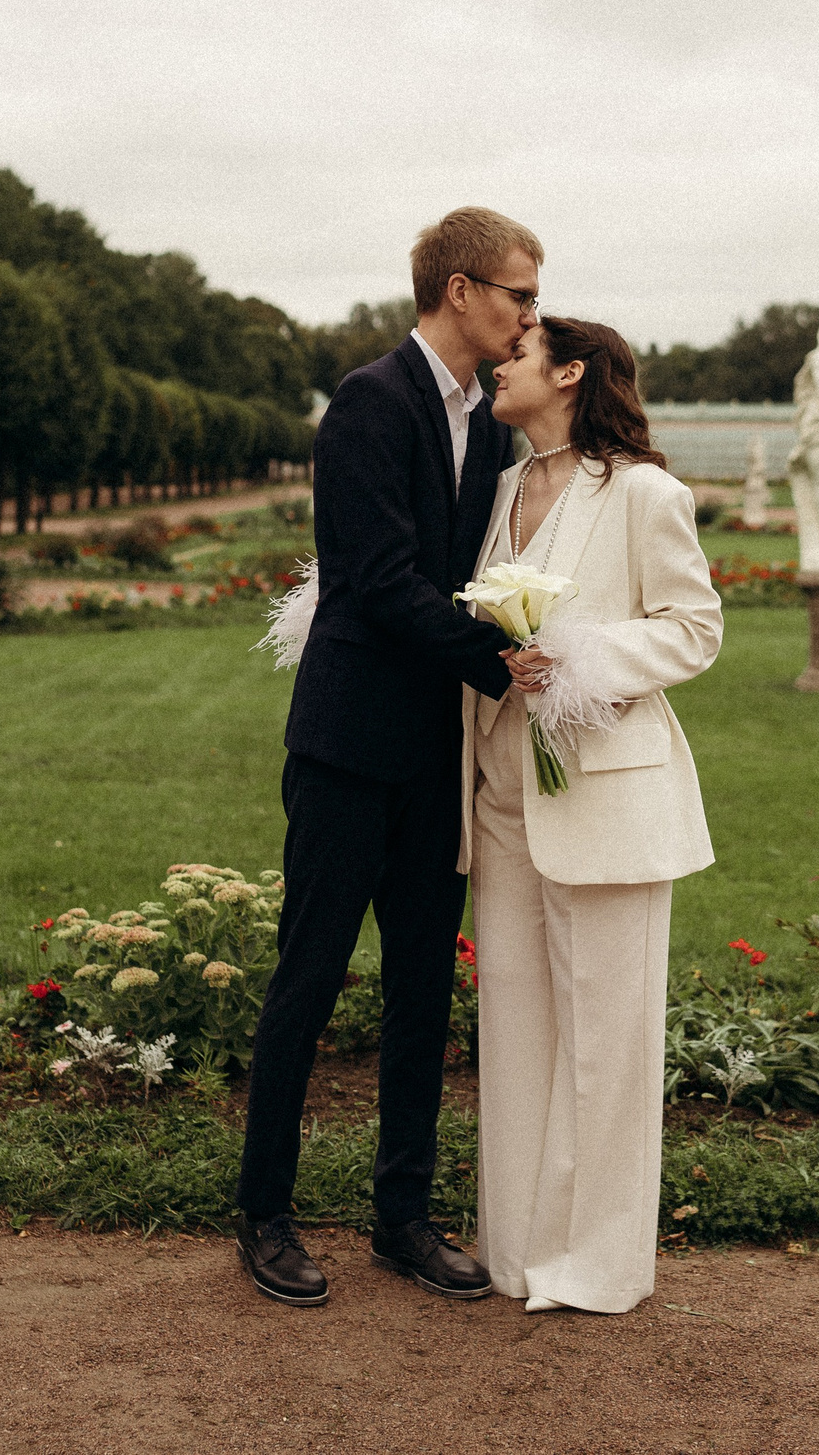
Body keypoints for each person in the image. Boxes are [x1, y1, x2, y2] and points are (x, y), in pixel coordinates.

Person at [235, 207, 543, 1307]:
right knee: (308, 981)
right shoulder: (368, 401)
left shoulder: (493, 428)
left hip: (434, 756)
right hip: (348, 746)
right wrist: (502, 660)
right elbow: (375, 578)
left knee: (422, 991)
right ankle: (264, 1215)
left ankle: (400, 1220)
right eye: (519, 292)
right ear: (459, 291)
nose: (528, 313)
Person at [461, 316, 722, 1314]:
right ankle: (517, 1252)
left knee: (609, 1041)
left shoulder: (644, 491)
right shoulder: (498, 491)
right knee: (515, 1025)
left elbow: (694, 630)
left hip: (607, 792)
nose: (499, 364)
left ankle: (600, 1265)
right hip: (497, 792)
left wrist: (578, 663)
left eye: (518, 354)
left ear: (569, 372)